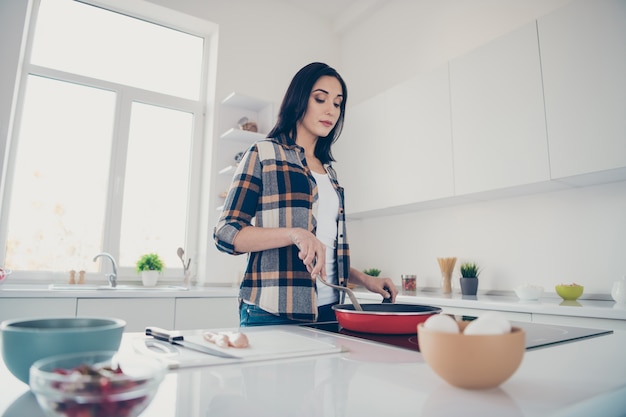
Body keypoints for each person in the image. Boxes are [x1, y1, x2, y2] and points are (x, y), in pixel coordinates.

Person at [214, 62, 397, 326]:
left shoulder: (329, 172)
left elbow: (325, 250)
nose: (330, 110)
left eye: (337, 103)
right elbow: (225, 233)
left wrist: (366, 279)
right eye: (320, 98)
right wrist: (293, 233)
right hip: (273, 312)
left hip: (330, 312)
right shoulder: (263, 153)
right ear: (299, 99)